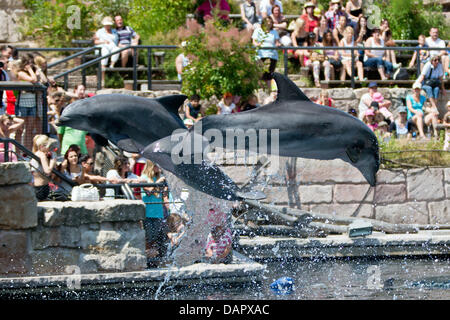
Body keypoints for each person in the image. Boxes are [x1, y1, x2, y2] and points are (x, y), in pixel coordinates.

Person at [140, 160, 167, 257]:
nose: (158, 168)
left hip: (158, 212)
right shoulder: (144, 178)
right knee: (148, 237)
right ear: (151, 166)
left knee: (156, 237)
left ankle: (153, 257)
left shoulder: (158, 177)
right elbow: (148, 191)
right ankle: (147, 257)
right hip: (148, 212)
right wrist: (157, 183)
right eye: (156, 165)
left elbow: (163, 194)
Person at [252, 17, 281, 90]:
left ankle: (269, 89)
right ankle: (259, 88)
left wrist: (278, 44)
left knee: (269, 74)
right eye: (267, 22)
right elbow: (254, 41)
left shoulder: (274, 32)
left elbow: (277, 42)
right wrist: (258, 45)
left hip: (272, 54)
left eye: (270, 22)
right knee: (260, 73)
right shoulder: (258, 30)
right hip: (261, 54)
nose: (269, 23)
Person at [30, 134, 58, 201]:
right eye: (48, 146)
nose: (49, 148)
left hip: (37, 187)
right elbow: (47, 171)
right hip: (41, 188)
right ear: (42, 146)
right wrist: (53, 160)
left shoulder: (37, 153)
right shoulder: (42, 155)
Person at [93, 16, 120, 84]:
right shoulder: (100, 31)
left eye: (109, 25)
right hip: (103, 47)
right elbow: (95, 42)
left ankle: (112, 65)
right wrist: (103, 42)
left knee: (117, 49)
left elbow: (116, 42)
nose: (107, 26)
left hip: (112, 46)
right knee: (105, 52)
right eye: (106, 25)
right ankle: (103, 78)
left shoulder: (114, 32)